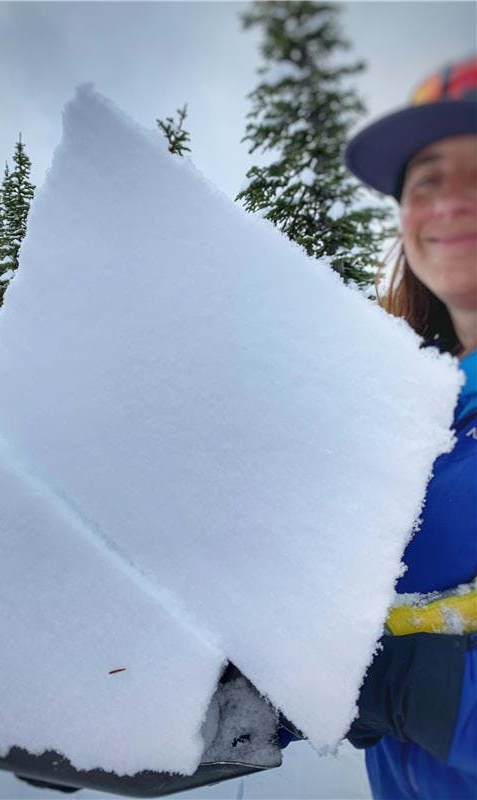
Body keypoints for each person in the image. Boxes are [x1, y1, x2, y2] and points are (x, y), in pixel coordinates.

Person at [338, 56, 477, 798]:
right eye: (427, 177)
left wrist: (400, 687)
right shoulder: (417, 402)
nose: (452, 202)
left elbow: (382, 678)